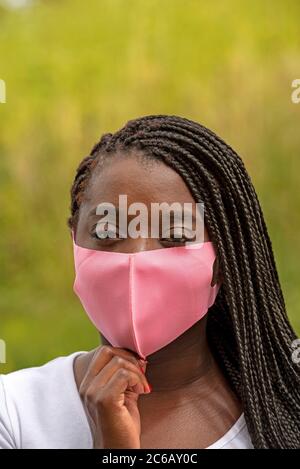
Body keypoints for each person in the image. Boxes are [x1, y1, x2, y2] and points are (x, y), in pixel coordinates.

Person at [0, 115, 299, 449]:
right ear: (74, 243)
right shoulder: (15, 413)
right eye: (107, 231)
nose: (135, 257)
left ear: (221, 262)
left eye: (174, 235)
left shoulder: (285, 418)